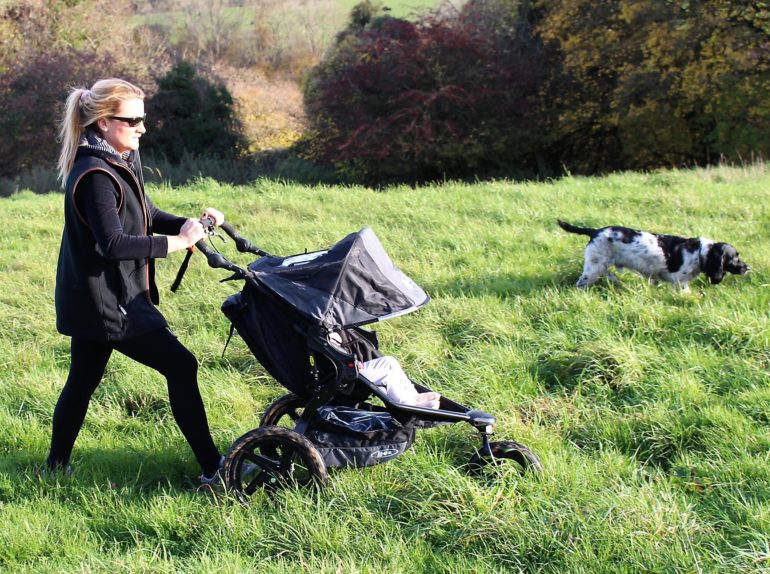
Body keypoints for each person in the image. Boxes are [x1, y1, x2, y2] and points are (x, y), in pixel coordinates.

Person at [47, 78, 224, 484]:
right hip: (109, 303)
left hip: (99, 296)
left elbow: (144, 211)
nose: (143, 127)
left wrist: (190, 224)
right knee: (182, 365)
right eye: (134, 120)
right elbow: (112, 243)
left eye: (143, 118)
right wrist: (177, 243)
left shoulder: (121, 159)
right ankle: (214, 470)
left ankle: (54, 468)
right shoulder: (95, 174)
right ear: (105, 122)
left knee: (81, 380)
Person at [328, 332, 441, 409]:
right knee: (386, 376)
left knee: (389, 361)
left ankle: (414, 396)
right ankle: (409, 405)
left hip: (348, 364)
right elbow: (329, 353)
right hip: (341, 374)